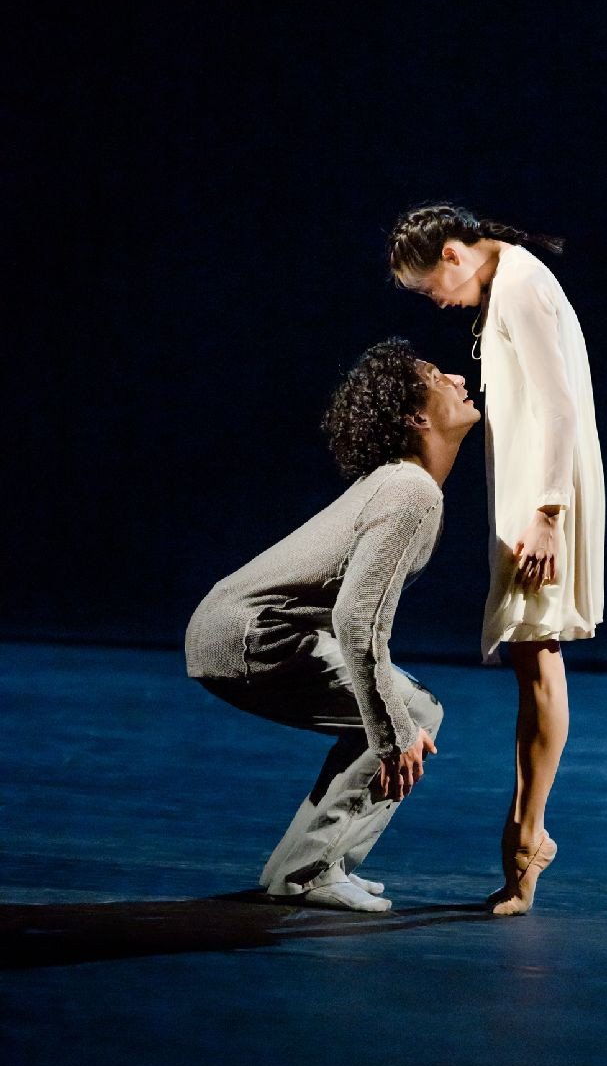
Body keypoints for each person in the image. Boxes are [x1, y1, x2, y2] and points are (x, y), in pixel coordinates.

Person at [185, 339, 480, 911]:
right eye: (437, 377)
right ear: (416, 417)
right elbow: (357, 619)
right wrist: (391, 734)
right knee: (407, 717)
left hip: (241, 631)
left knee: (410, 713)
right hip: (253, 637)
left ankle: (305, 866)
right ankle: (311, 871)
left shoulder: (400, 482)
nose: (458, 378)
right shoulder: (411, 491)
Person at [388, 205, 605, 916]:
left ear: (453, 254)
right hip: (530, 493)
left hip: (544, 499)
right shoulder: (510, 281)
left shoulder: (518, 285)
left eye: (430, 288)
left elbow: (561, 407)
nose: (437, 302)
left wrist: (549, 513)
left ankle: (527, 835)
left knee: (537, 653)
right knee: (529, 655)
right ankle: (525, 833)